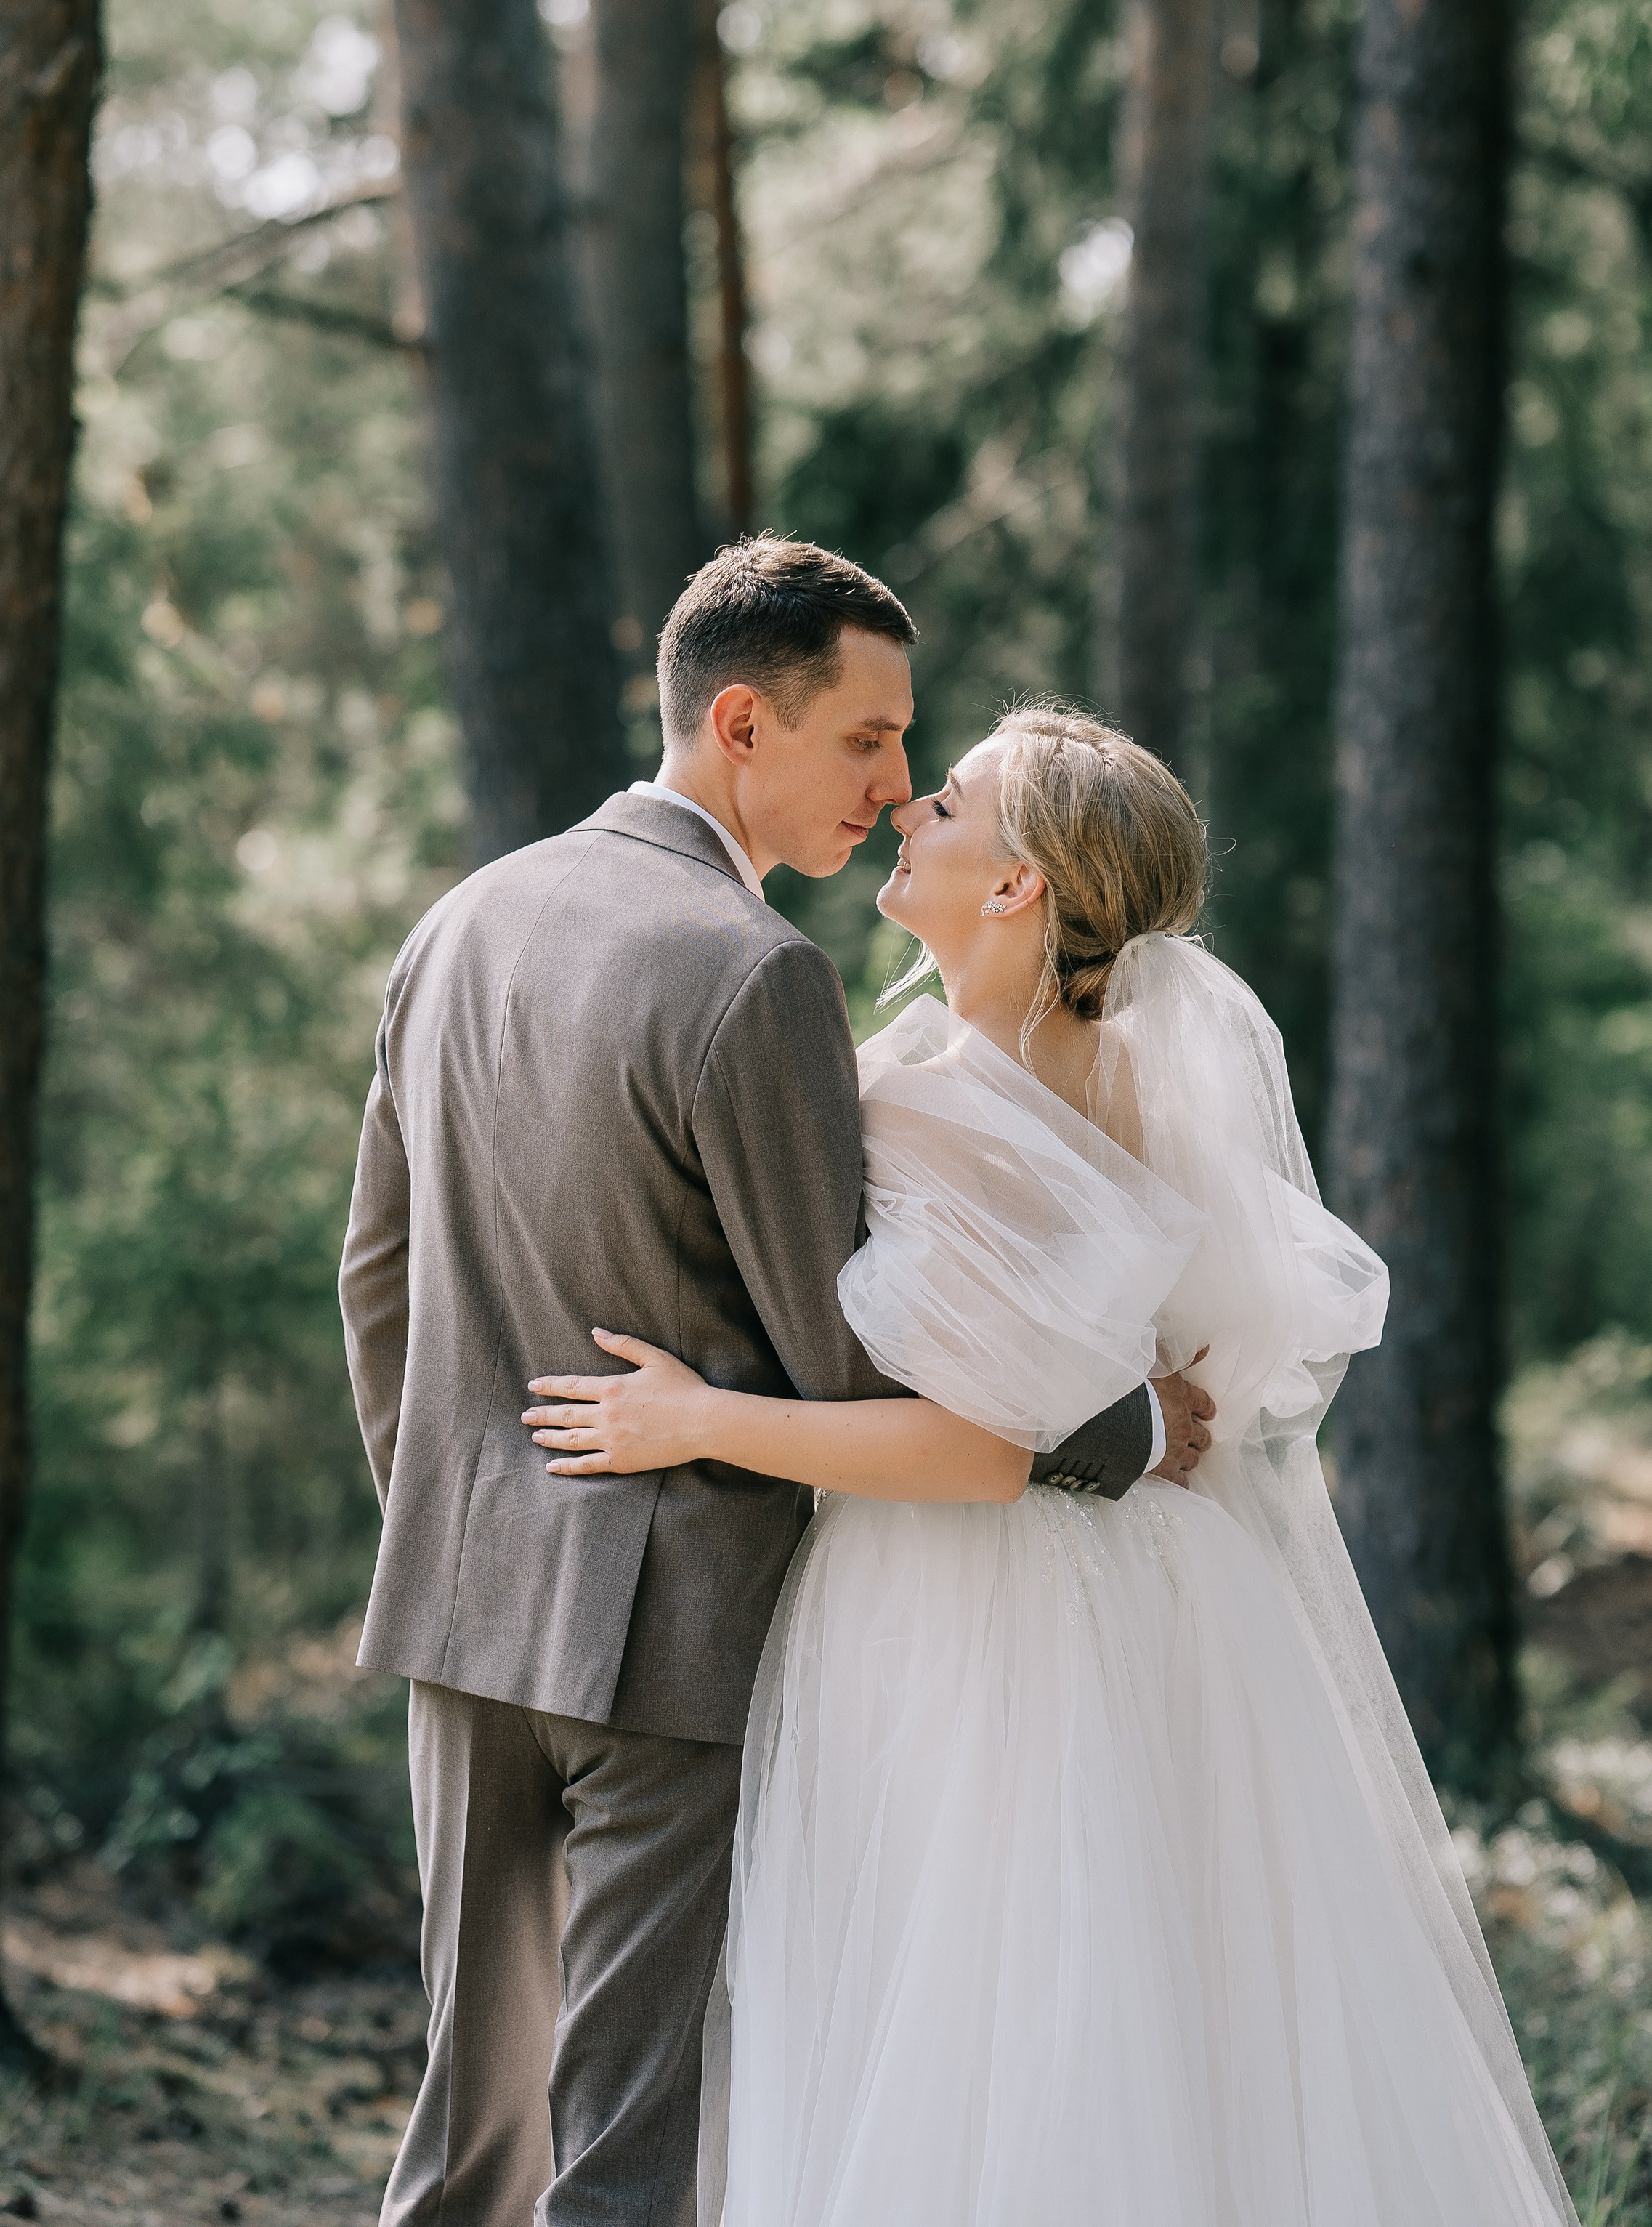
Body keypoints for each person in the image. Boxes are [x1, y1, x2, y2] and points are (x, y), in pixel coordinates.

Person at [527, 704, 1578, 2227]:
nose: (906, 813)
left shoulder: (918, 1098)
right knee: (1182, 2034)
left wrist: (695, 1421)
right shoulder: (1146, 1081)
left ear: (1018, 885)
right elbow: (1135, 1380)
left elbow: (968, 1453)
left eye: (945, 806)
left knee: (972, 2029)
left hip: (964, 1620)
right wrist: (1132, 1421)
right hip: (1173, 1602)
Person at [337, 546, 1210, 2227]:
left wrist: (453, 1513)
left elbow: (376, 1276)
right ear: (741, 722)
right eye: (868, 741)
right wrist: (1113, 1422)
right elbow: (849, 1341)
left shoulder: (455, 925)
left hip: (459, 1606)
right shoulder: (751, 977)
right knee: (623, 2144)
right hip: (672, 1629)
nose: (893, 788)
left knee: (470, 2134)